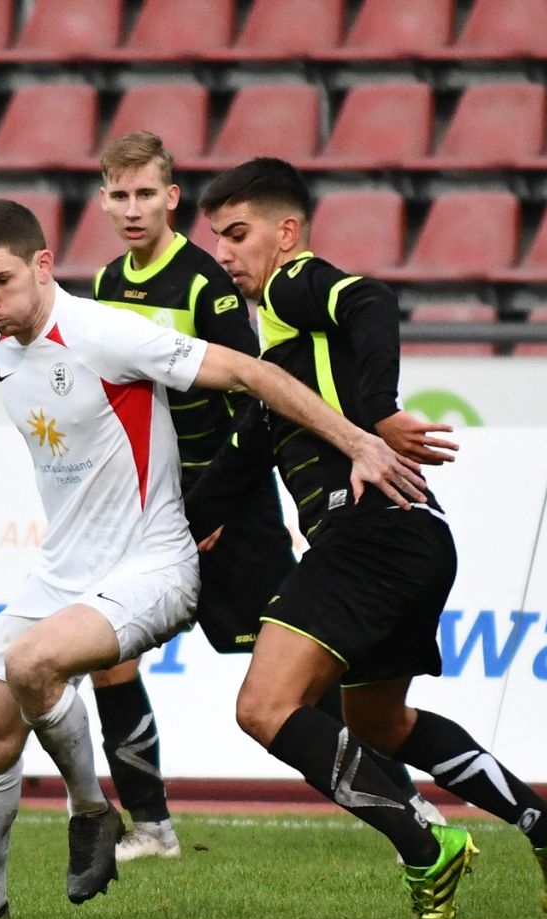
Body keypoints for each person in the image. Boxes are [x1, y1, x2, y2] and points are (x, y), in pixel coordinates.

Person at [0, 199, 427, 919]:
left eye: (1, 283)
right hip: (63, 569)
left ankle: (92, 811)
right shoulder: (2, 344)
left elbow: (250, 373)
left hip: (151, 566)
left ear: (43, 265)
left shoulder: (104, 332)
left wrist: (358, 439)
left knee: (30, 664)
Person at [187, 159, 547, 919]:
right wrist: (178, 524)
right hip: (417, 537)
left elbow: (371, 298)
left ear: (287, 232)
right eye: (217, 240)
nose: (227, 254)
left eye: (238, 234)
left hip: (371, 534)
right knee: (381, 726)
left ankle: (425, 846)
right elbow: (240, 461)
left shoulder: (292, 284)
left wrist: (377, 413)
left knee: (264, 706)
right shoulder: (279, 358)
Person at [86, 131, 446, 862]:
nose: (132, 209)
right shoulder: (102, 288)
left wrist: (222, 497)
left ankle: (403, 798)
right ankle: (151, 826)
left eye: (145, 194)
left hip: (232, 503)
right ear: (102, 200)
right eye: (118, 195)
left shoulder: (207, 283)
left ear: (171, 200)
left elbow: (260, 391)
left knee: (298, 676)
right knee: (109, 654)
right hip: (162, 503)